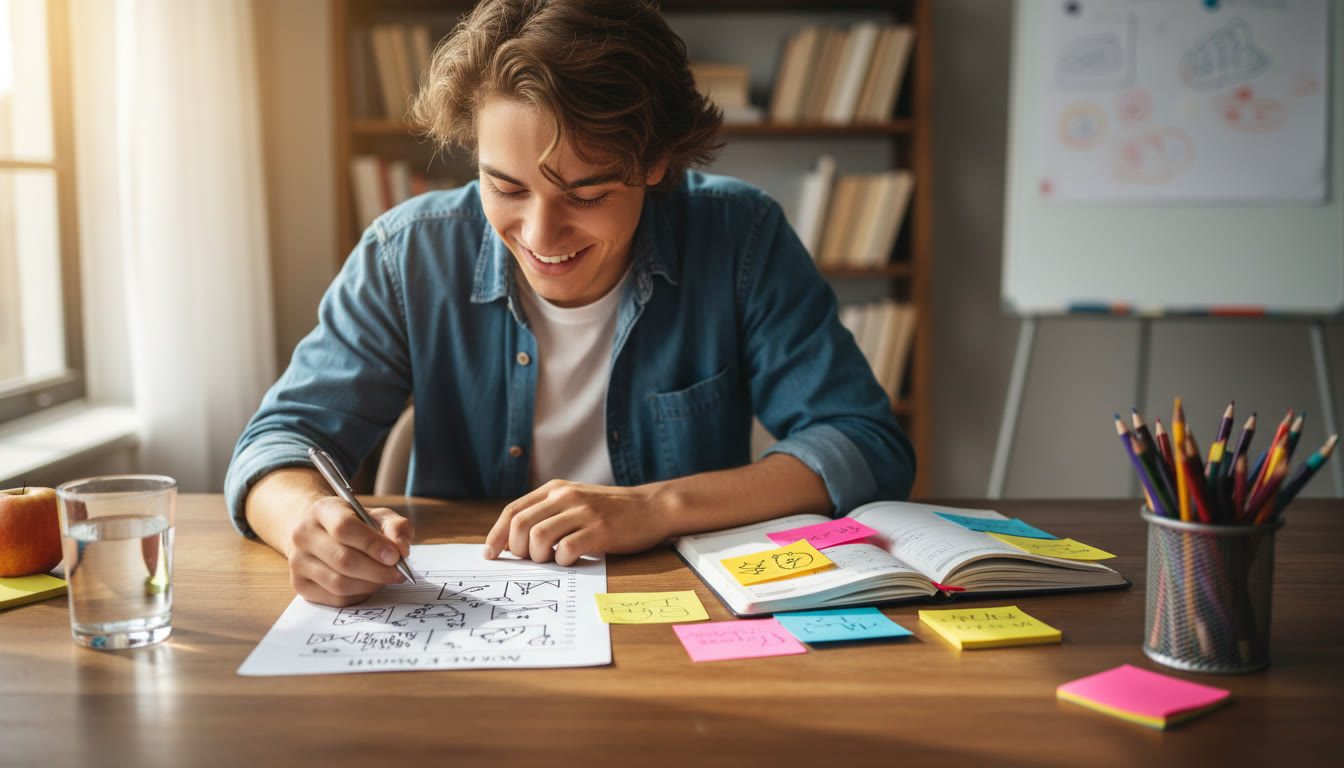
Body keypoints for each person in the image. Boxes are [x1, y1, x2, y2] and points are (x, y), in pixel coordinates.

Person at [225, 0, 915, 608]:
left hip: (678, 616)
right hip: (469, 616)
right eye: (507, 187)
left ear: (655, 162)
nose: (540, 236)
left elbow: (863, 444)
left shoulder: (740, 239)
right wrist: (305, 522)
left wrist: (657, 507)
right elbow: (278, 444)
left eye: (585, 194)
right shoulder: (408, 256)